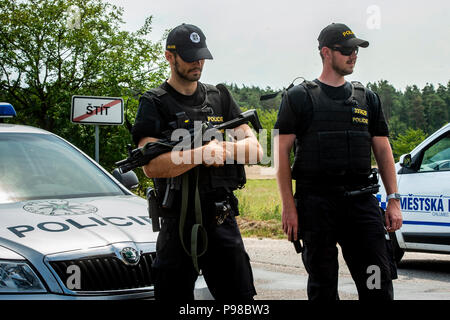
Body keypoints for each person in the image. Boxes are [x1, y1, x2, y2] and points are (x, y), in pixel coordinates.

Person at [131, 23, 261, 301]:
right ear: (170, 56)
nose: (198, 63)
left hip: (221, 218)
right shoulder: (154, 102)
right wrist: (200, 155)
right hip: (177, 223)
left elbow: (254, 150)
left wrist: (222, 150)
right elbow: (150, 164)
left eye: (201, 56)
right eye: (190, 57)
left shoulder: (219, 97)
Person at [274, 23, 402, 300]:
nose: (353, 55)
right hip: (316, 204)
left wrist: (393, 199)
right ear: (326, 53)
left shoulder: (366, 98)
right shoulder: (299, 97)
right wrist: (289, 207)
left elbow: (382, 149)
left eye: (356, 50)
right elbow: (281, 154)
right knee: (323, 284)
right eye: (346, 50)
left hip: (361, 203)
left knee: (376, 283)